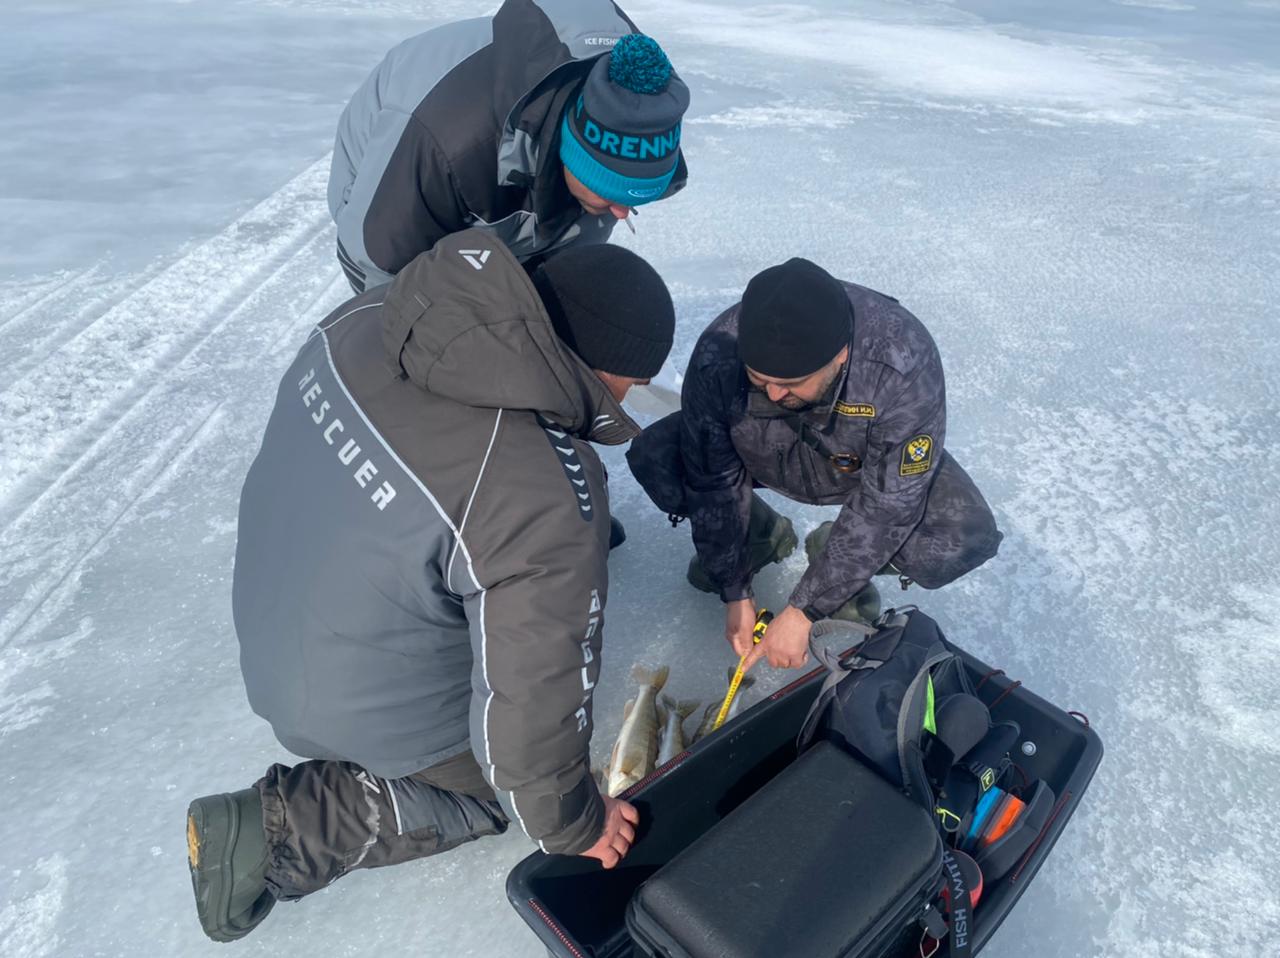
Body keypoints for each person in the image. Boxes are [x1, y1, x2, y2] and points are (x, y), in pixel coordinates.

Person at [185, 230, 676, 941]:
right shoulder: (542, 489)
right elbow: (530, 719)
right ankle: (288, 829)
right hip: (341, 701)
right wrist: (576, 822)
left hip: (266, 619)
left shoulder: (374, 314)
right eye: (632, 386)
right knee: (497, 793)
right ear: (605, 373)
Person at [627, 257, 1002, 671]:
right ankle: (759, 536)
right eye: (757, 377)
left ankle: (836, 555)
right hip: (764, 452)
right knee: (659, 457)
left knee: (963, 537)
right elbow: (712, 478)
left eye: (788, 383)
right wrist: (733, 586)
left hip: (860, 468)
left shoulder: (900, 361)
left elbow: (888, 506)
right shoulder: (720, 352)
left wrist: (805, 609)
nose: (771, 394)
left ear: (840, 355)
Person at [328, 0, 690, 293]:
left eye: (633, 198)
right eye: (611, 194)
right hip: (383, 182)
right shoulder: (449, 142)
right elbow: (378, 267)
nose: (622, 212)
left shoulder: (629, 107)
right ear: (574, 157)